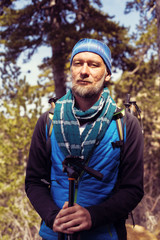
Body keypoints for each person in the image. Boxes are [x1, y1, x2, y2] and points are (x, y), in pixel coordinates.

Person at [25, 38, 144, 240]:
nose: (84, 71)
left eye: (94, 64)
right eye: (78, 63)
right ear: (71, 70)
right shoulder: (49, 121)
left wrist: (93, 216)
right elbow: (34, 181)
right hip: (54, 234)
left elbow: (132, 189)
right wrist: (53, 217)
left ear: (107, 74)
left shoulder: (125, 124)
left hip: (105, 235)